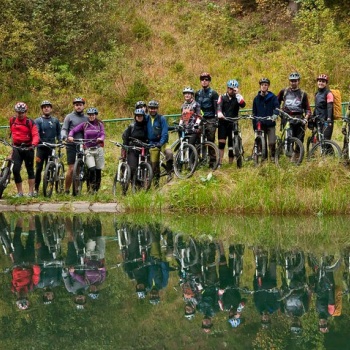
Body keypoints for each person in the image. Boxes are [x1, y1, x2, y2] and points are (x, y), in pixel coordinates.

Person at [68, 107, 105, 193]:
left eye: (93, 115)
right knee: (91, 168)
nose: (91, 116)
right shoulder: (85, 125)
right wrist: (70, 135)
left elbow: (103, 134)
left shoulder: (100, 124)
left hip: (98, 149)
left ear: (95, 115)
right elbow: (74, 130)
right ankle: (90, 188)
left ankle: (96, 188)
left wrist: (100, 138)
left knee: (98, 170)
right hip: (88, 150)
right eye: (90, 115)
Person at [277, 72, 311, 160]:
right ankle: (288, 156)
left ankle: (297, 158)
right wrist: (279, 111)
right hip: (287, 118)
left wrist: (306, 118)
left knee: (300, 139)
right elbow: (276, 102)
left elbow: (307, 109)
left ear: (298, 81)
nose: (293, 83)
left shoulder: (303, 94)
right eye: (291, 81)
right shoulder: (284, 91)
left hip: (299, 118)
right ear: (289, 81)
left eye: (295, 81)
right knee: (289, 137)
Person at [9, 102, 39, 197]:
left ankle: (30, 192)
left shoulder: (29, 122)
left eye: (22, 112)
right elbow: (12, 133)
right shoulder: (12, 120)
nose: (20, 114)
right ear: (16, 112)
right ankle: (20, 192)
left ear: (25, 112)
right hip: (17, 148)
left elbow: (35, 135)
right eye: (18, 112)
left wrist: (33, 144)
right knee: (15, 169)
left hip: (28, 147)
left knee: (30, 169)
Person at [11, 217, 40, 310]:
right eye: (23, 297)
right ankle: (31, 217)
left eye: (20, 297)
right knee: (31, 239)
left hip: (18, 263)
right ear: (27, 296)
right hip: (28, 262)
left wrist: (12, 262)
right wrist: (34, 266)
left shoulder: (13, 288)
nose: (22, 295)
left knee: (15, 241)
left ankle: (20, 218)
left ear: (17, 297)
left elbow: (12, 276)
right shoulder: (31, 286)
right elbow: (36, 274)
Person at [61, 97, 88, 194]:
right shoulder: (69, 117)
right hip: (72, 144)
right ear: (74, 106)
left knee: (79, 168)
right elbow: (64, 129)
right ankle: (67, 189)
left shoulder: (87, 118)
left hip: (83, 144)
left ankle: (76, 189)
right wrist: (65, 137)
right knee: (71, 168)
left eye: (80, 105)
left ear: (83, 106)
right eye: (76, 105)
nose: (78, 106)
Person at [34, 100, 61, 196]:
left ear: (51, 108)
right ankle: (36, 189)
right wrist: (40, 141)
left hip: (52, 147)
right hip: (41, 147)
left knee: (50, 168)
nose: (46, 108)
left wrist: (60, 141)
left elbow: (59, 133)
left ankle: (48, 188)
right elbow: (36, 132)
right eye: (44, 107)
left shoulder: (55, 120)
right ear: (42, 109)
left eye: (48, 106)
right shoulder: (38, 121)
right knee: (38, 169)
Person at [217, 80, 246, 165]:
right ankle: (219, 163)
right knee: (221, 143)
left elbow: (243, 105)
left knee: (231, 144)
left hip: (233, 122)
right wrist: (219, 113)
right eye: (230, 88)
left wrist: (237, 94)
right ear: (227, 88)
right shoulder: (222, 97)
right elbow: (219, 106)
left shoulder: (238, 97)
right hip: (223, 122)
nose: (231, 90)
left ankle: (230, 163)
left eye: (233, 89)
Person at [145, 100, 173, 184]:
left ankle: (169, 173)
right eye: (151, 108)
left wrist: (161, 143)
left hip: (163, 142)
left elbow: (165, 133)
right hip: (152, 143)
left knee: (169, 154)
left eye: (154, 108)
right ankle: (156, 183)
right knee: (154, 165)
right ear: (148, 109)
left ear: (157, 109)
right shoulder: (146, 118)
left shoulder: (162, 118)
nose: (152, 110)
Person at [252, 78, 279, 161]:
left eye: (266, 85)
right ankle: (263, 159)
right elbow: (254, 113)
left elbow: (277, 108)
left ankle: (273, 157)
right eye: (262, 85)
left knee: (272, 142)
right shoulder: (256, 99)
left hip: (270, 123)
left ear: (268, 86)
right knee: (261, 143)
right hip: (260, 123)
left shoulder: (273, 97)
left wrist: (275, 115)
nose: (264, 86)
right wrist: (254, 124)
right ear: (260, 86)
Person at [122, 108, 148, 183]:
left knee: (143, 167)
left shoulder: (146, 126)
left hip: (143, 148)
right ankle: (133, 182)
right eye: (137, 116)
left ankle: (141, 184)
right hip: (133, 149)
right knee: (133, 167)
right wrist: (125, 147)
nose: (139, 117)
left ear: (143, 116)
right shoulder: (132, 126)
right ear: (135, 117)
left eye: (140, 116)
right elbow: (126, 138)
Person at [195, 72, 219, 146]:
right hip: (200, 118)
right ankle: (197, 156)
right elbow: (195, 107)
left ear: (209, 81)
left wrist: (216, 119)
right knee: (198, 138)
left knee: (211, 140)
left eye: (206, 79)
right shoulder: (197, 93)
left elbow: (217, 107)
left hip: (210, 119)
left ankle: (213, 157)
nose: (204, 81)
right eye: (202, 79)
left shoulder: (213, 93)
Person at [312, 74, 334, 143]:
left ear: (326, 83)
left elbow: (330, 107)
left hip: (326, 120)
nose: (321, 83)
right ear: (317, 82)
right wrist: (313, 116)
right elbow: (317, 107)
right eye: (319, 81)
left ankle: (330, 153)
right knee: (320, 139)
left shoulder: (328, 93)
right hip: (318, 119)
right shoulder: (317, 94)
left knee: (326, 140)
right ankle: (322, 153)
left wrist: (329, 119)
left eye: (323, 82)